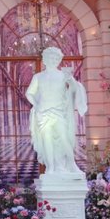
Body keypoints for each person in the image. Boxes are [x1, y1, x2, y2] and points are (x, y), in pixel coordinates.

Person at [25, 46, 86, 177]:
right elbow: (29, 93)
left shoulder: (63, 75)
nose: (53, 60)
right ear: (45, 60)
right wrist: (37, 105)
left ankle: (72, 164)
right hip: (44, 113)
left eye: (55, 58)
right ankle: (51, 168)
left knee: (65, 139)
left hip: (59, 112)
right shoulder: (38, 77)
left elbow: (74, 89)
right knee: (47, 140)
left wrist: (71, 80)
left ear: (59, 60)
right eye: (50, 58)